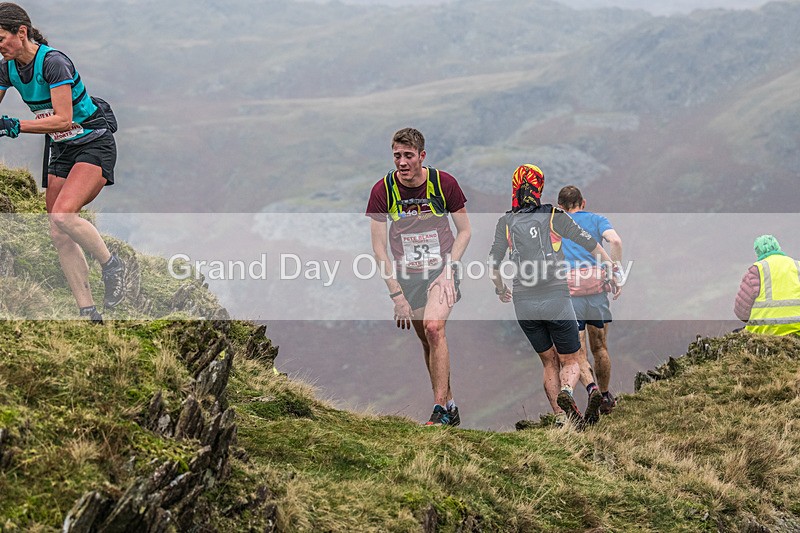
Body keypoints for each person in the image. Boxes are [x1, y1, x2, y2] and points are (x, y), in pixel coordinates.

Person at [0, 3, 123, 323]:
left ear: (21, 32)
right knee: (58, 231)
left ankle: (112, 265)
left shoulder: (53, 62)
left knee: (64, 214)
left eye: (1, 38)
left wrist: (15, 125)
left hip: (93, 143)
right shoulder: (7, 68)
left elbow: (63, 118)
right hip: (61, 151)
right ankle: (88, 312)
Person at [488, 164, 616, 428]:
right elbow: (590, 244)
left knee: (548, 361)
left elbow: (493, 265)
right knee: (569, 360)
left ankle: (561, 418)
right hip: (556, 296)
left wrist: (501, 289)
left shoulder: (506, 222)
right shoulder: (552, 215)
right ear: (539, 187)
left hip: (523, 301)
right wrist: (611, 269)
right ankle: (567, 393)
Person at [366, 127, 471, 426]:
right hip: (407, 276)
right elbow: (378, 248)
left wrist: (450, 271)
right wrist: (396, 295)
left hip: (442, 271)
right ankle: (449, 404)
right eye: (397, 156)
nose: (402, 162)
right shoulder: (383, 190)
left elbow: (465, 231)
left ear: (421, 156)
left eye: (408, 156)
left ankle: (439, 411)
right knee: (427, 340)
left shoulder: (443, 183)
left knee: (435, 328)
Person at [558, 185, 623, 424]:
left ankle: (591, 390)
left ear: (560, 207)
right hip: (597, 291)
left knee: (579, 352)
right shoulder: (597, 220)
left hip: (570, 293)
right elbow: (615, 241)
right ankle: (605, 397)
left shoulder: (558, 224)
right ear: (583, 203)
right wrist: (615, 271)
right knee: (601, 347)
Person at [734, 235, 800, 336]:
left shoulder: (756, 271)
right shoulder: (797, 266)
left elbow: (741, 312)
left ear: (758, 252)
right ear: (778, 247)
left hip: (765, 331)